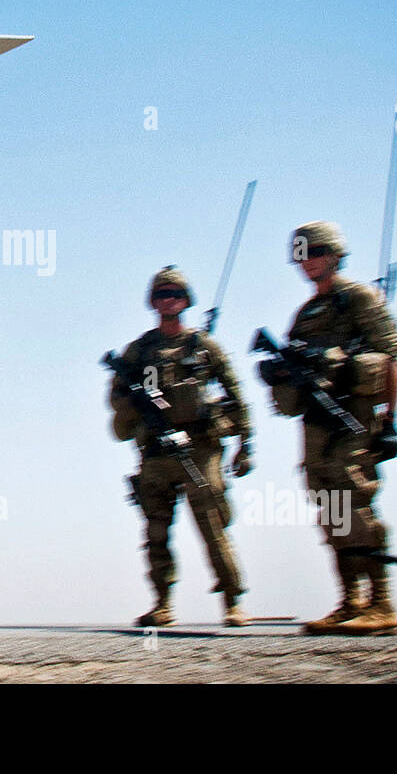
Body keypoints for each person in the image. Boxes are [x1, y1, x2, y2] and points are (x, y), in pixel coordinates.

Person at [259, 222, 397, 635]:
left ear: (335, 255)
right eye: (302, 255)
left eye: (315, 252)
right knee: (331, 508)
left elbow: (391, 356)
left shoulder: (359, 298)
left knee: (356, 500)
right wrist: (279, 372)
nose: (308, 262)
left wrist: (391, 421)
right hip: (316, 424)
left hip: (354, 416)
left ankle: (382, 601)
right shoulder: (305, 314)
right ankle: (350, 600)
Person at [109, 266, 253, 628]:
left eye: (174, 293)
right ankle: (162, 603)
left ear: (186, 299)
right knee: (155, 530)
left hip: (200, 450)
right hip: (156, 452)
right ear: (152, 301)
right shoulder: (138, 351)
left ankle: (233, 601)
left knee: (212, 525)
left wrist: (245, 443)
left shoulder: (204, 347)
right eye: (161, 294)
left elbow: (236, 394)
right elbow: (117, 395)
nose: (167, 299)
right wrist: (138, 409)